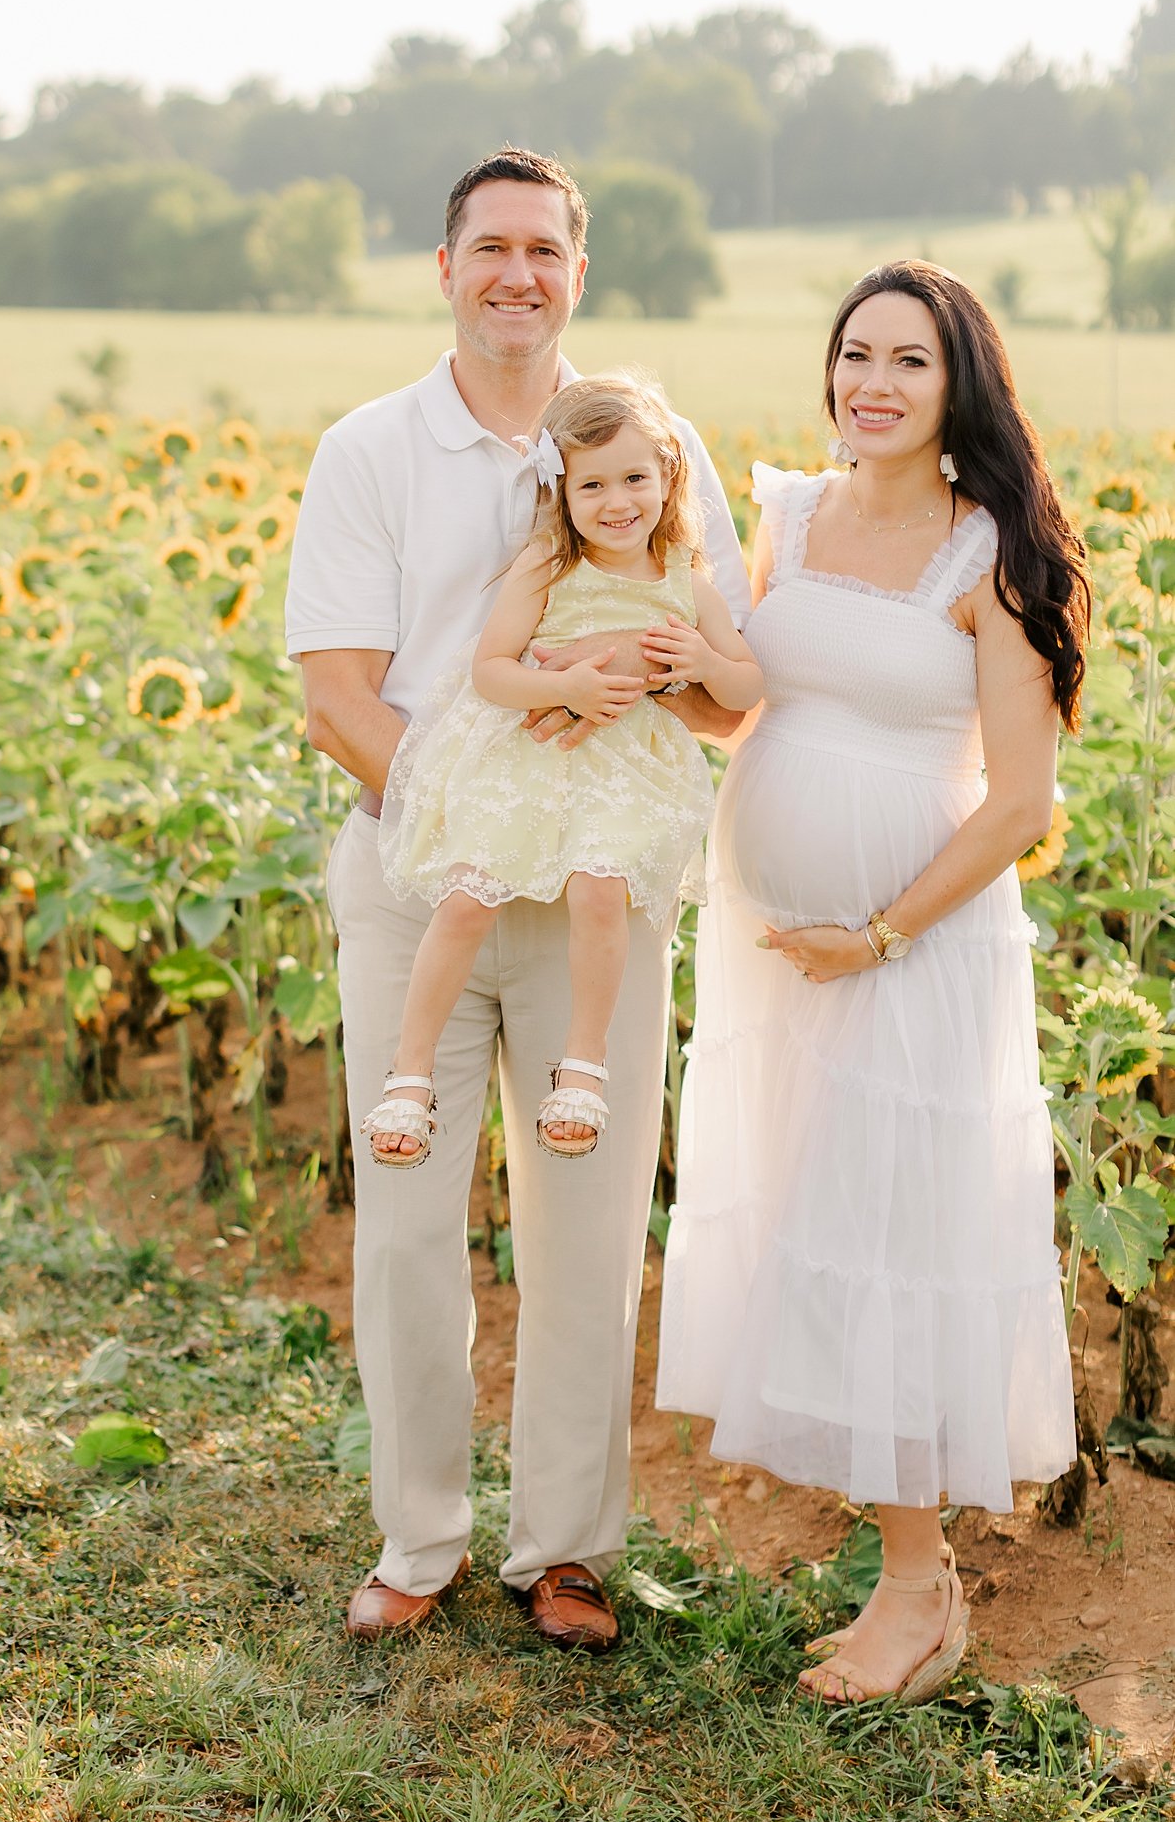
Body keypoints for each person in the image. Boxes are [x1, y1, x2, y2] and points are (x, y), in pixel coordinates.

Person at [286, 147, 750, 1650]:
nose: (517, 274)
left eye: (545, 249)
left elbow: (726, 691)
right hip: (425, 885)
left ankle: (565, 1548)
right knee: (410, 1224)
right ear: (445, 267)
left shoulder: (656, 454)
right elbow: (338, 696)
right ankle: (417, 1537)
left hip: (599, 900)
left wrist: (652, 691)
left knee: (590, 1222)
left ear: (578, 274)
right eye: (490, 247)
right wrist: (479, 805)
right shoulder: (369, 450)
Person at [654, 260, 1089, 1704]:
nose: (873, 383)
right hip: (783, 956)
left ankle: (920, 1588)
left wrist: (882, 932)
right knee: (808, 1223)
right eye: (854, 354)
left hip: (911, 955)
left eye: (907, 358)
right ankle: (898, 1578)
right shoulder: (789, 514)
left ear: (959, 381)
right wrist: (671, 665)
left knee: (888, 1239)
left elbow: (1019, 805)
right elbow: (751, 705)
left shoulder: (993, 556)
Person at [365, 372, 761, 1171]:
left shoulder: (686, 578)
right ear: (561, 490)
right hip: (535, 757)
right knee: (469, 897)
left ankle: (582, 1065)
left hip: (623, 774)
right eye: (593, 485)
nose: (618, 502)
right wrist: (566, 687)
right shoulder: (549, 562)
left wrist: (702, 658)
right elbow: (492, 671)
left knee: (598, 888)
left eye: (635, 479)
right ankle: (410, 1069)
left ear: (669, 477)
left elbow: (748, 687)